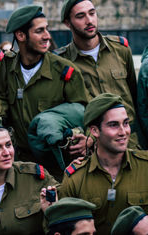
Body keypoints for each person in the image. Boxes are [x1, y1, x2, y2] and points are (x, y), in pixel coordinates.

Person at [4, 5, 89, 173]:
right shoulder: (5, 69)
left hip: (57, 166)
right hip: (20, 167)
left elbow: (86, 114)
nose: (47, 36)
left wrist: (82, 138)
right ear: (20, 35)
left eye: (47, 29)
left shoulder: (64, 71)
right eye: (39, 31)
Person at [56, 0, 139, 148]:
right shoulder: (62, 62)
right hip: (93, 147)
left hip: (130, 144)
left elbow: (134, 97)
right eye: (80, 16)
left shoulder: (121, 49)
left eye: (92, 13)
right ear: (68, 23)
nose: (89, 20)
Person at [59, 93, 148, 234]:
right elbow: (62, 227)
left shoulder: (145, 167)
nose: (123, 132)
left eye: (126, 123)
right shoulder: (75, 178)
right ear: (94, 131)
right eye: (114, 125)